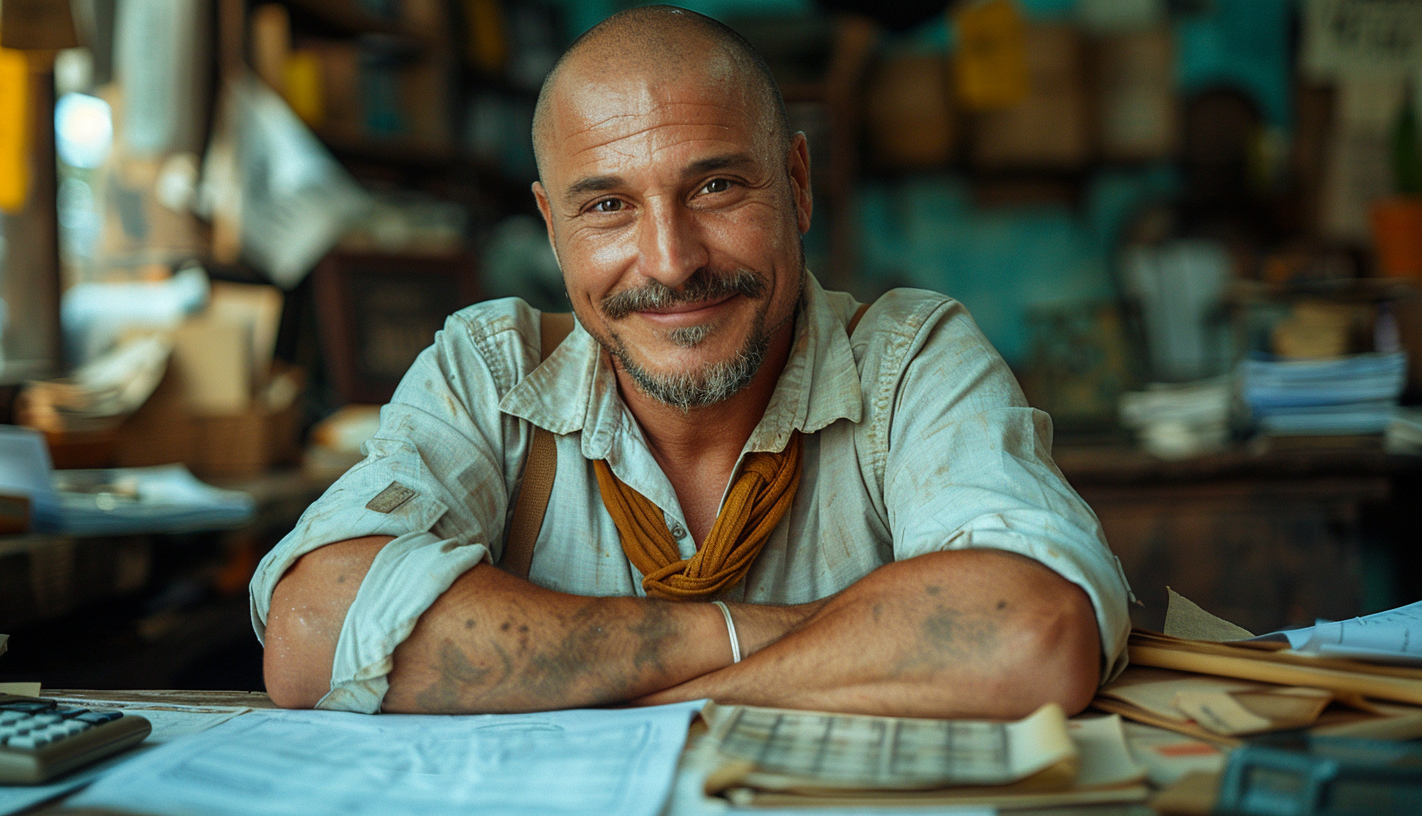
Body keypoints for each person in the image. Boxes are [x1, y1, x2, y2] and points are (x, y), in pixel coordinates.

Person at [253, 6, 1132, 717]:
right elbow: (314, 628)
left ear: (796, 184)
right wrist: (768, 644)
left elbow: (1030, 632)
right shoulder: (490, 370)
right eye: (606, 205)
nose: (671, 261)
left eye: (715, 187)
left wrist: (620, 687)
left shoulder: (907, 360)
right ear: (552, 228)